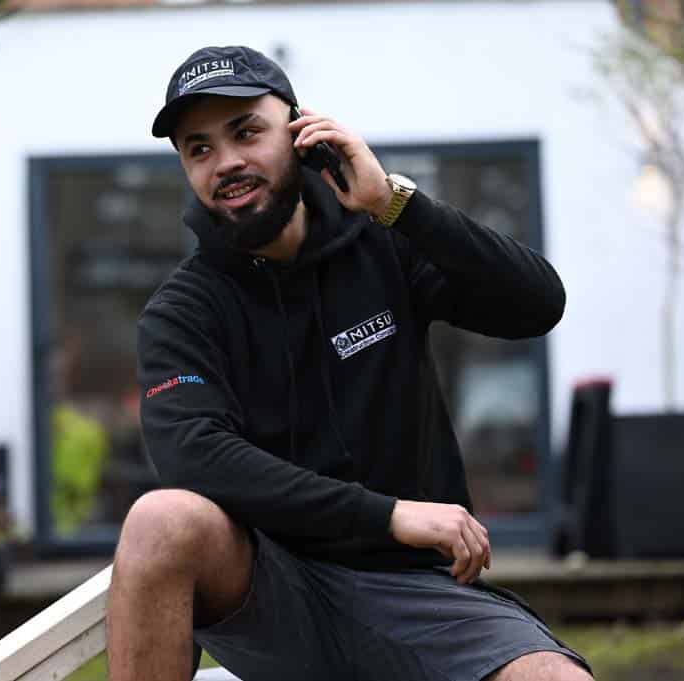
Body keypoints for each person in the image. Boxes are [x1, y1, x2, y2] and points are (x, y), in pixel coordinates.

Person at [107, 45, 593, 681]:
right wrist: (390, 514)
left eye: (246, 132)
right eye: (199, 149)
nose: (226, 162)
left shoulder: (384, 244)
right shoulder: (184, 310)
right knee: (161, 519)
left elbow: (536, 304)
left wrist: (397, 203)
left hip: (420, 591)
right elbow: (193, 455)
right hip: (275, 592)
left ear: (301, 130)